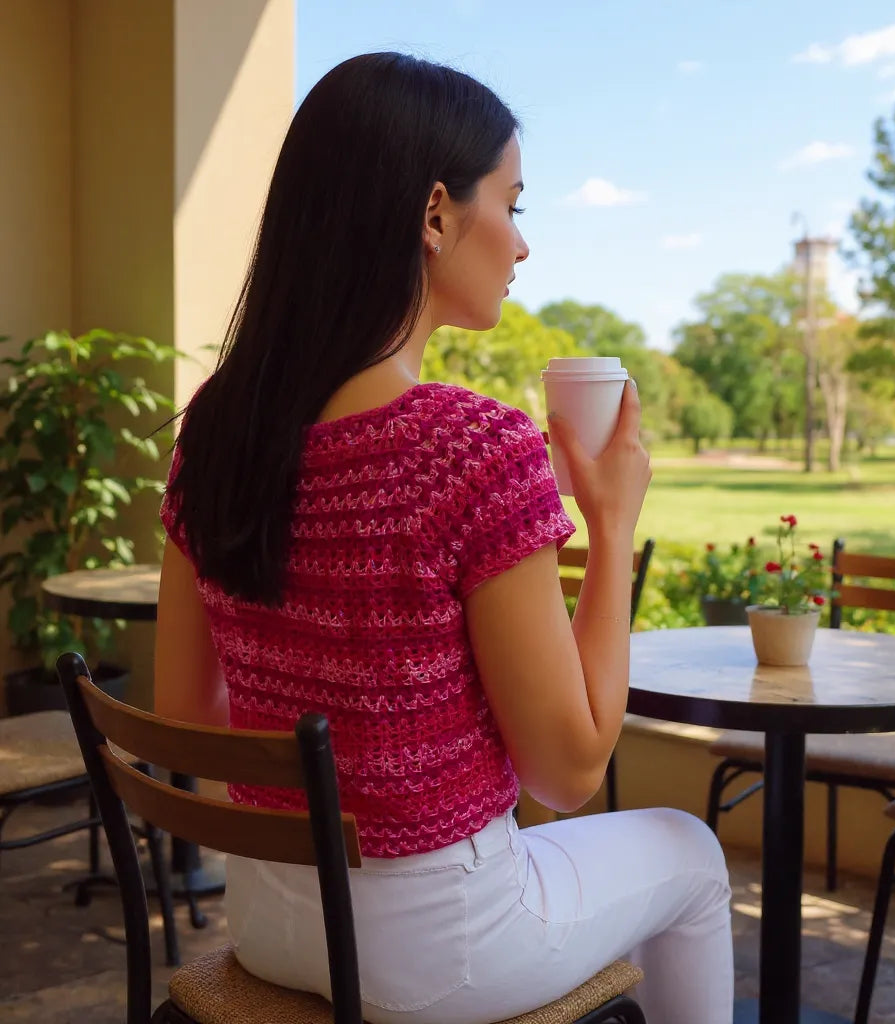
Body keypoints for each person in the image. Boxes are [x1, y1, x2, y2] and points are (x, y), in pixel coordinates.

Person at [155, 51, 733, 1024]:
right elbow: (571, 769)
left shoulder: (216, 429)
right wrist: (613, 518)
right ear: (433, 215)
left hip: (269, 917)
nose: (521, 244)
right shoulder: (468, 447)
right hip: (440, 951)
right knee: (690, 852)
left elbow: (182, 710)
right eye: (512, 203)